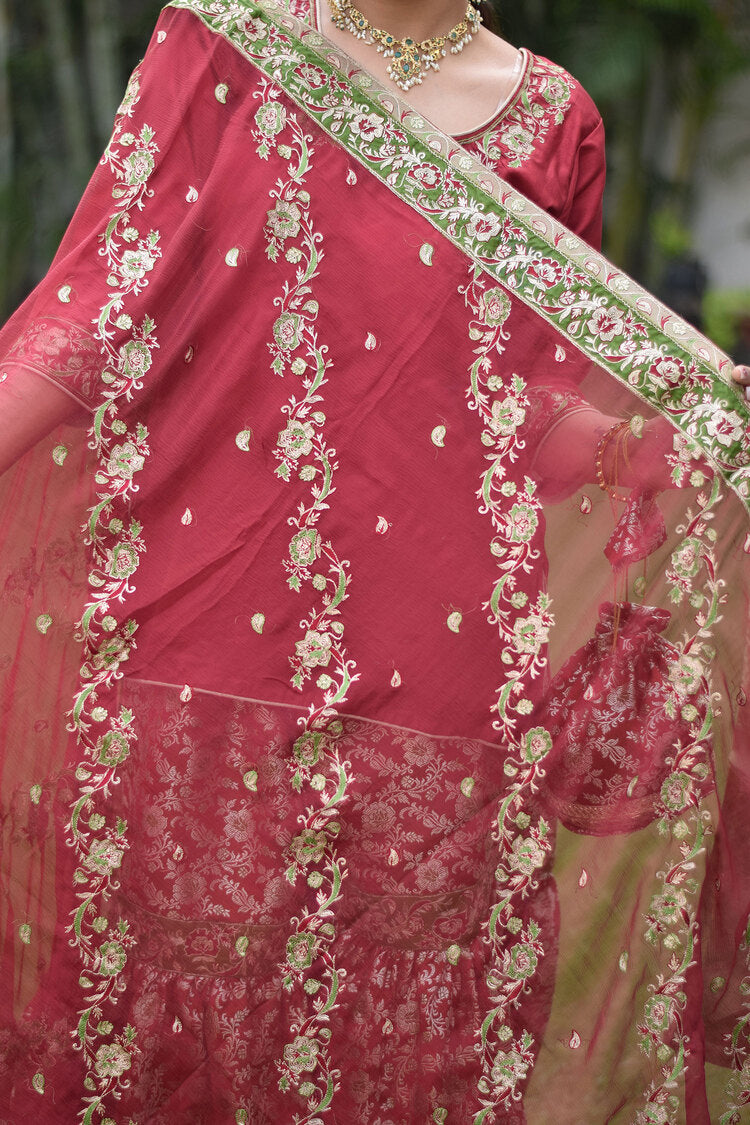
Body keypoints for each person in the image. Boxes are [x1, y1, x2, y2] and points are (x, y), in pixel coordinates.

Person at [0, 2, 747, 1122]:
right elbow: (109, 306)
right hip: (205, 645)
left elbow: (516, 408)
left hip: (444, 678)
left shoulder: (553, 118)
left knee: (406, 1046)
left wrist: (662, 440)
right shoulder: (224, 42)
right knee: (160, 1036)